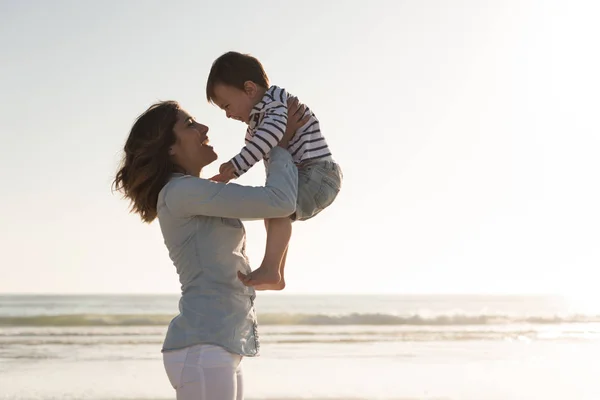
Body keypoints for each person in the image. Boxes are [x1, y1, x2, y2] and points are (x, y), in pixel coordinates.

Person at [113, 98, 308, 400]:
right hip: (202, 350)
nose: (204, 128)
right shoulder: (181, 192)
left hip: (219, 346)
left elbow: (278, 206)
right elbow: (280, 201)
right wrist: (277, 144)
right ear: (170, 148)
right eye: (189, 125)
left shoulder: (196, 193)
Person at [206, 51, 343, 289]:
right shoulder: (261, 117)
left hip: (317, 174)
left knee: (277, 207)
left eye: (227, 106)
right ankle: (276, 273)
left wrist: (235, 168)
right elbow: (257, 145)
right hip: (312, 176)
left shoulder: (275, 106)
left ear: (249, 89)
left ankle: (271, 269)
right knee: (274, 212)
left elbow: (266, 140)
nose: (228, 115)